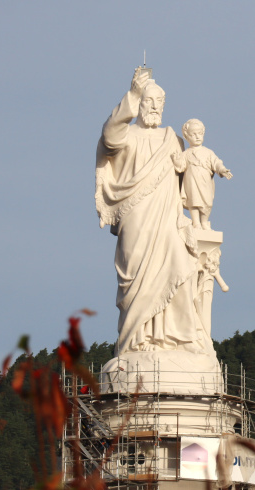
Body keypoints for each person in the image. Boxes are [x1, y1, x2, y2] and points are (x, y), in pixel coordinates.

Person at [95, 67, 205, 356]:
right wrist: (131, 95)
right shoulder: (127, 135)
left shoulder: (172, 138)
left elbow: (184, 179)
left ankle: (174, 337)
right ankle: (135, 340)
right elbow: (109, 137)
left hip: (167, 218)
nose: (155, 107)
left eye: (160, 102)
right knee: (137, 274)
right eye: (149, 100)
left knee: (179, 264)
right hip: (136, 216)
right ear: (139, 104)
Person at [171, 119, 233, 230]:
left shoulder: (208, 152)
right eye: (193, 134)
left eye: (199, 133)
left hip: (205, 182)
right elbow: (180, 167)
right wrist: (176, 160)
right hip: (192, 181)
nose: (197, 137)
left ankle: (204, 222)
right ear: (186, 136)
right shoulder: (186, 153)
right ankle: (196, 223)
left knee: (207, 202)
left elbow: (216, 162)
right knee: (194, 201)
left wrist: (222, 170)